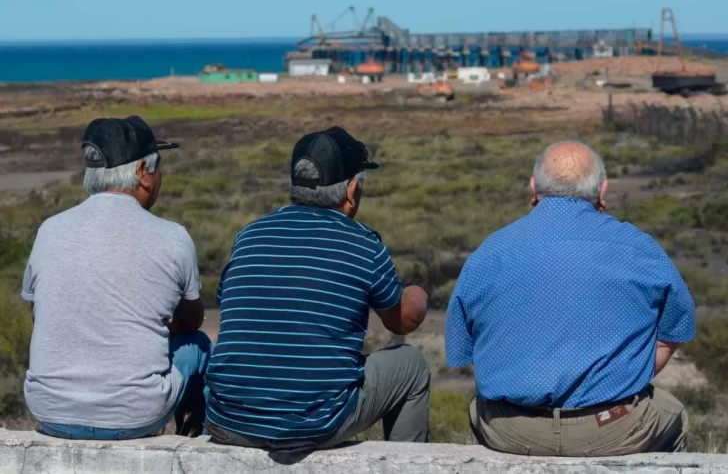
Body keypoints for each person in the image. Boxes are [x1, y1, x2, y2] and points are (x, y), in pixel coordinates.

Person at [445, 140, 696, 456]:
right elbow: (674, 332)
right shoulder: (639, 248)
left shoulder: (489, 253)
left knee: (478, 405)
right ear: (602, 190)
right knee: (672, 411)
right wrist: (615, 379)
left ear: (533, 187)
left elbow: (462, 350)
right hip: (613, 427)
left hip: (510, 429)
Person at [206, 126, 430, 454]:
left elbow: (230, 302)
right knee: (412, 365)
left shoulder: (249, 236)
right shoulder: (362, 243)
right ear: (352, 190)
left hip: (228, 419)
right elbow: (402, 322)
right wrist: (418, 294)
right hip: (313, 423)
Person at [21, 116, 212, 440]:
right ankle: (192, 437)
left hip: (50, 411)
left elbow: (39, 311)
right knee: (197, 345)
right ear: (142, 173)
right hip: (136, 416)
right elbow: (191, 322)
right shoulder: (172, 237)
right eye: (157, 166)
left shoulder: (50, 229)